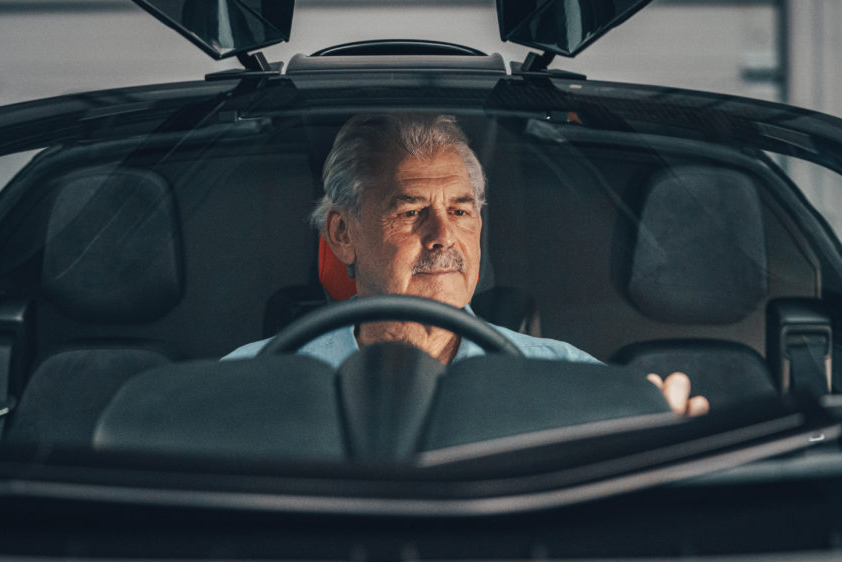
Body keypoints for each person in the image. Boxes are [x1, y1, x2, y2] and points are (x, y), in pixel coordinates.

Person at [224, 113, 708, 417]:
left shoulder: (569, 381)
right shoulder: (250, 384)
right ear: (342, 235)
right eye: (411, 211)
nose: (442, 236)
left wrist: (665, 436)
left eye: (460, 211)